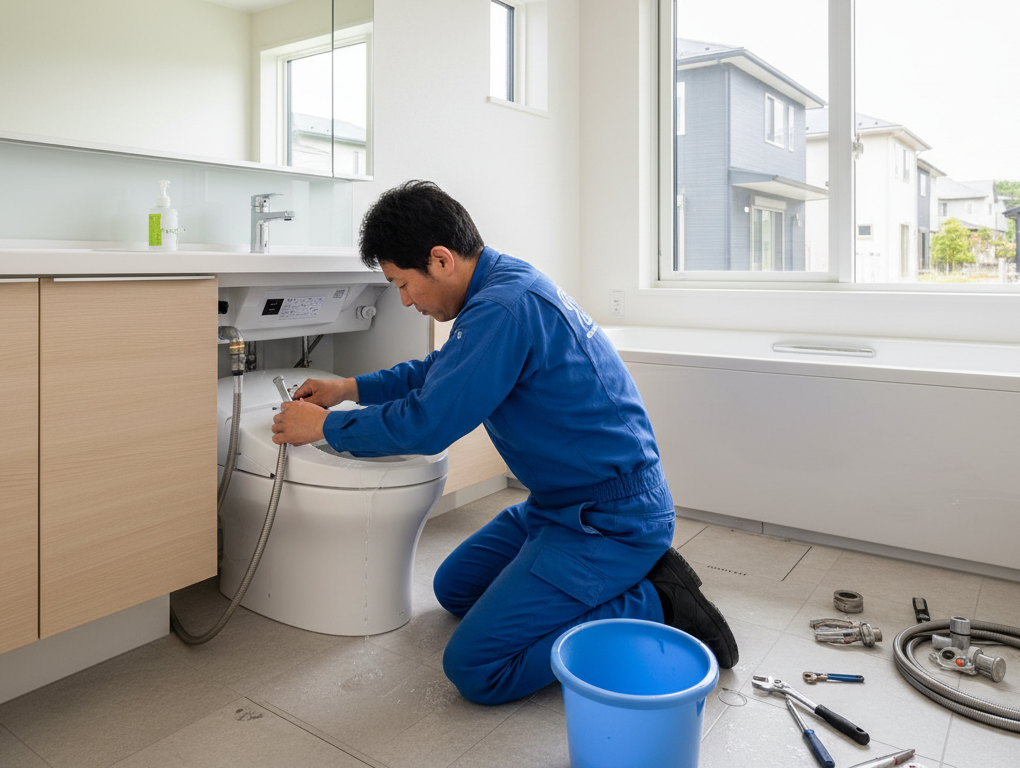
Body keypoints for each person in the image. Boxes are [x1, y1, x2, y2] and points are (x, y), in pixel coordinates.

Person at [270, 180, 737, 705]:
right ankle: (601, 581)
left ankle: (658, 601)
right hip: (558, 505)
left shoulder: (503, 309)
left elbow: (427, 425)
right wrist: (351, 388)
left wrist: (324, 427)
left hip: (610, 520)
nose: (404, 300)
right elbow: (440, 371)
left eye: (402, 284)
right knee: (455, 589)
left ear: (441, 260)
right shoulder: (501, 285)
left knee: (478, 667)